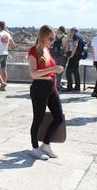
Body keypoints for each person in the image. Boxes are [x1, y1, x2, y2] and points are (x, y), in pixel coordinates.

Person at [28, 25, 64, 160]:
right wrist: (53, 69)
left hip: (51, 87)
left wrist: (55, 86)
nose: (52, 40)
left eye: (54, 38)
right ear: (43, 36)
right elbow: (33, 74)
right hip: (39, 88)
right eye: (50, 38)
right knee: (38, 119)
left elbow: (50, 72)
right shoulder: (33, 51)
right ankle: (35, 148)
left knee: (59, 118)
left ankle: (46, 144)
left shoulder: (47, 50)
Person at [0, 21, 15, 91]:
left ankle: (2, 83)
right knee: (3, 69)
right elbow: (13, 44)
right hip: (5, 53)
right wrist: (8, 47)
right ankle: (3, 87)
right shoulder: (7, 34)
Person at [64, 27, 84, 92]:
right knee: (76, 71)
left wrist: (71, 55)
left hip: (74, 56)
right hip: (78, 56)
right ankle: (77, 87)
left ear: (73, 31)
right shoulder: (81, 36)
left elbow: (75, 45)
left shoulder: (75, 35)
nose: (70, 32)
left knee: (68, 72)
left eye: (71, 31)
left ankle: (69, 87)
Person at [52, 26, 69, 92]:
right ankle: (58, 86)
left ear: (59, 30)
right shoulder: (65, 37)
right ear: (64, 30)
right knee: (60, 71)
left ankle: (54, 84)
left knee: (55, 71)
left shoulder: (55, 37)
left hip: (55, 56)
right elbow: (67, 47)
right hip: (63, 56)